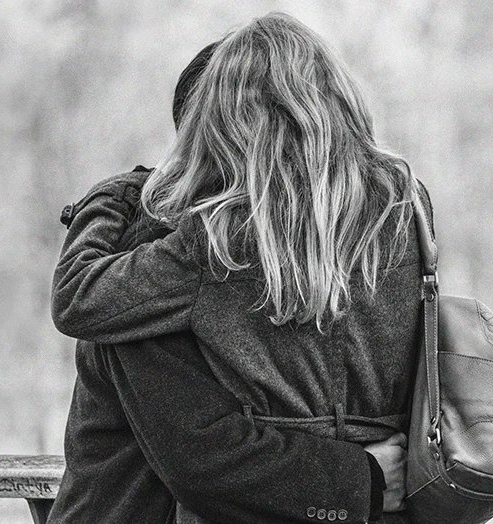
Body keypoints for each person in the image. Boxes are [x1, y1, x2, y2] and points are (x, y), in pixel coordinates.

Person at [52, 12, 435, 522]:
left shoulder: (215, 240)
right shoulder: (405, 207)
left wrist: (118, 194)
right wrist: (363, 479)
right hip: (394, 501)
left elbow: (80, 298)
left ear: (219, 129)